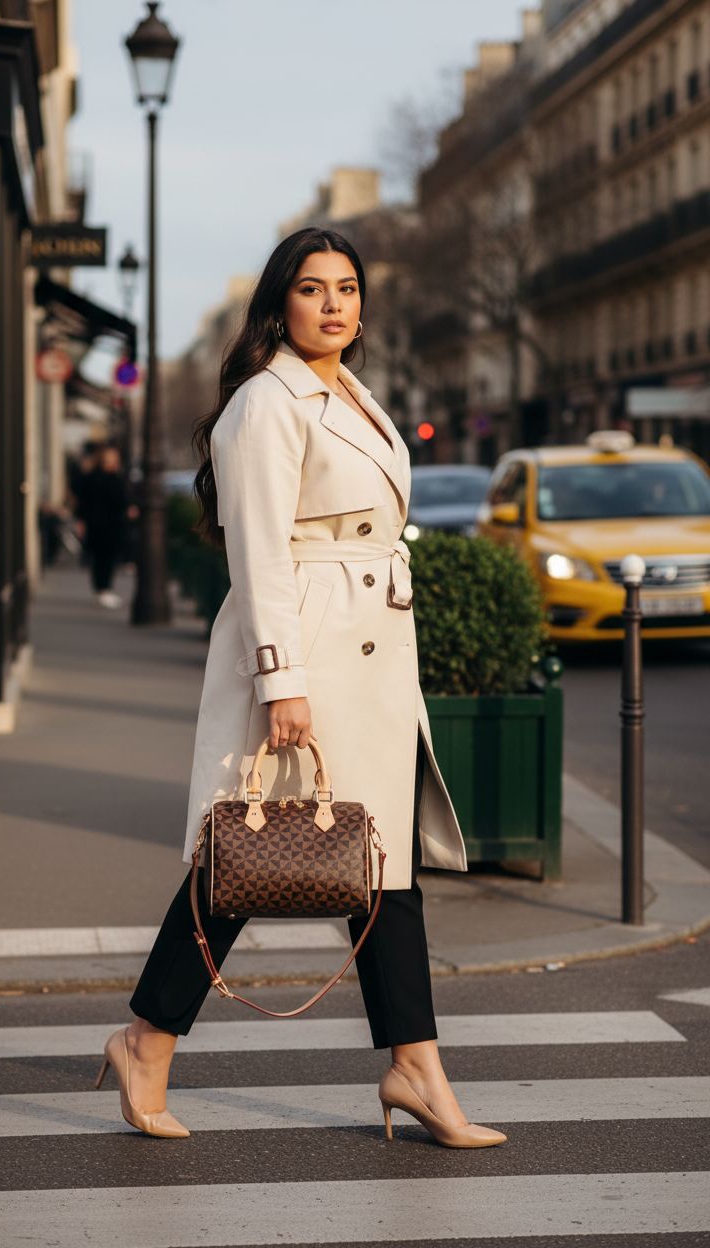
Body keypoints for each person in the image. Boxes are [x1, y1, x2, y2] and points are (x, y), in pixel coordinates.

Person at [95, 227, 507, 1148]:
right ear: (280, 302)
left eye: (349, 288)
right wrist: (283, 680)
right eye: (314, 288)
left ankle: (416, 1067)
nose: (335, 304)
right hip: (310, 655)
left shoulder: (351, 394)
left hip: (372, 652)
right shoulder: (266, 403)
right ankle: (146, 1040)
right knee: (243, 865)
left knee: (383, 866)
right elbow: (259, 558)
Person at [75, 444, 135, 608]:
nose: (112, 462)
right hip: (101, 524)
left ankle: (103, 589)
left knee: (106, 558)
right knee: (103, 558)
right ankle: (102, 589)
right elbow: (85, 502)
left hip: (110, 524)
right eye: (109, 459)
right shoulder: (98, 478)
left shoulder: (114, 477)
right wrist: (81, 521)